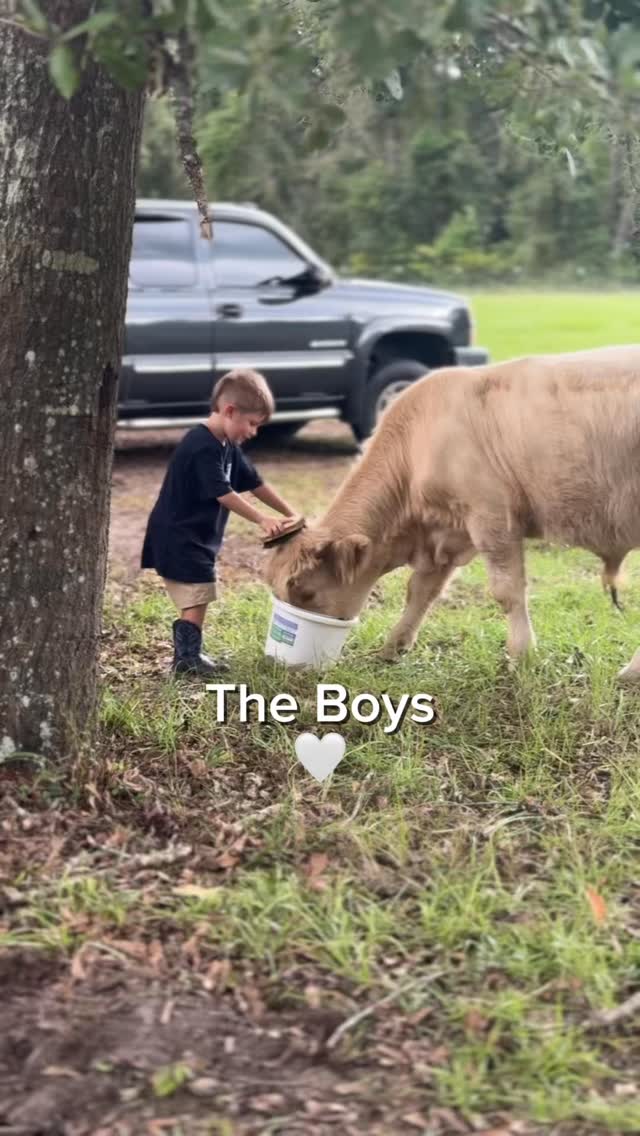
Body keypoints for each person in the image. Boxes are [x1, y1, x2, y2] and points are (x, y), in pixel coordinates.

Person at [141, 368, 300, 676]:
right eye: (252, 423)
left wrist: (289, 513)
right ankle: (187, 660)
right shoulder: (201, 445)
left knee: (198, 593)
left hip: (196, 536)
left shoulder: (228, 446)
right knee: (198, 592)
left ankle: (189, 655)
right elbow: (223, 493)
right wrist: (262, 519)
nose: (253, 432)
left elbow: (255, 483)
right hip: (179, 535)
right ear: (230, 411)